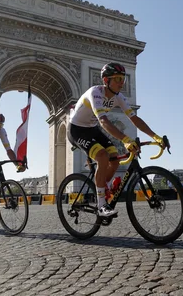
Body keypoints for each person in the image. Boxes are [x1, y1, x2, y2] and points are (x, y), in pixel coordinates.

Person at [67, 62, 165, 217]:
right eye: (118, 78)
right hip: (77, 129)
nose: (122, 82)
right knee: (102, 156)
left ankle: (102, 188)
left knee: (115, 159)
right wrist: (126, 140)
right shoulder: (95, 93)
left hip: (92, 129)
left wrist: (156, 137)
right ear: (106, 80)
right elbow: (104, 121)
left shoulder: (119, 97)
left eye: (123, 79)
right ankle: (101, 205)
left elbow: (135, 119)